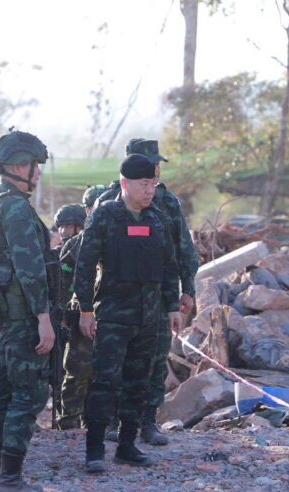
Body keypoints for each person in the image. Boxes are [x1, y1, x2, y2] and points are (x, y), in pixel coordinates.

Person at [75, 154, 182, 474]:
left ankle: (127, 446)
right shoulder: (105, 216)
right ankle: (94, 449)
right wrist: (85, 309)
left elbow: (169, 266)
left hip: (148, 317)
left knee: (139, 382)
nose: (150, 190)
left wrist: (172, 306)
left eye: (153, 184)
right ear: (125, 183)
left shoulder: (158, 219)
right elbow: (84, 264)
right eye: (144, 184)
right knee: (105, 382)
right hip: (113, 316)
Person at [0, 129, 56, 492]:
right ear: (19, 166)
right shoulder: (16, 208)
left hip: (3, 319)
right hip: (23, 317)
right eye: (34, 165)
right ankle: (10, 479)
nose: (37, 173)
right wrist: (44, 317)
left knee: (2, 395)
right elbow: (30, 268)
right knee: (27, 395)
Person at [124, 138, 198, 446]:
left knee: (155, 361)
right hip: (119, 297)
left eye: (157, 164)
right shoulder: (109, 202)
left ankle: (147, 421)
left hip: (158, 294)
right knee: (117, 361)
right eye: (149, 164)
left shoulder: (168, 202)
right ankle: (115, 421)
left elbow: (183, 249)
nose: (155, 170)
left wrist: (187, 289)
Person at [56, 186, 103, 429]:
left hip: (106, 313)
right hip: (79, 316)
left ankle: (95, 422)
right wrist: (63, 316)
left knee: (102, 374)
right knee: (77, 371)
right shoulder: (75, 245)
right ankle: (68, 422)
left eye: (70, 225)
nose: (65, 231)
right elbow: (63, 286)